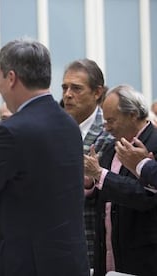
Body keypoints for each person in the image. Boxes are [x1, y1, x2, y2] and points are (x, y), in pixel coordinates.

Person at [0, 38, 89, 275]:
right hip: (65, 260)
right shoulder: (68, 123)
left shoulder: (11, 130)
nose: (0, 88)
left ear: (11, 78)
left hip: (20, 262)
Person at [84, 84, 157, 275]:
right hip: (108, 257)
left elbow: (145, 196)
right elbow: (104, 192)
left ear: (132, 114)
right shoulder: (113, 146)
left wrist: (99, 174)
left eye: (111, 121)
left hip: (142, 261)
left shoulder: (153, 143)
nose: (106, 128)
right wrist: (89, 181)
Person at [61, 58, 113, 269]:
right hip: (55, 244)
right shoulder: (56, 128)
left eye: (76, 88)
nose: (68, 95)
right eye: (64, 87)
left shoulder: (110, 132)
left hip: (93, 243)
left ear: (97, 92)